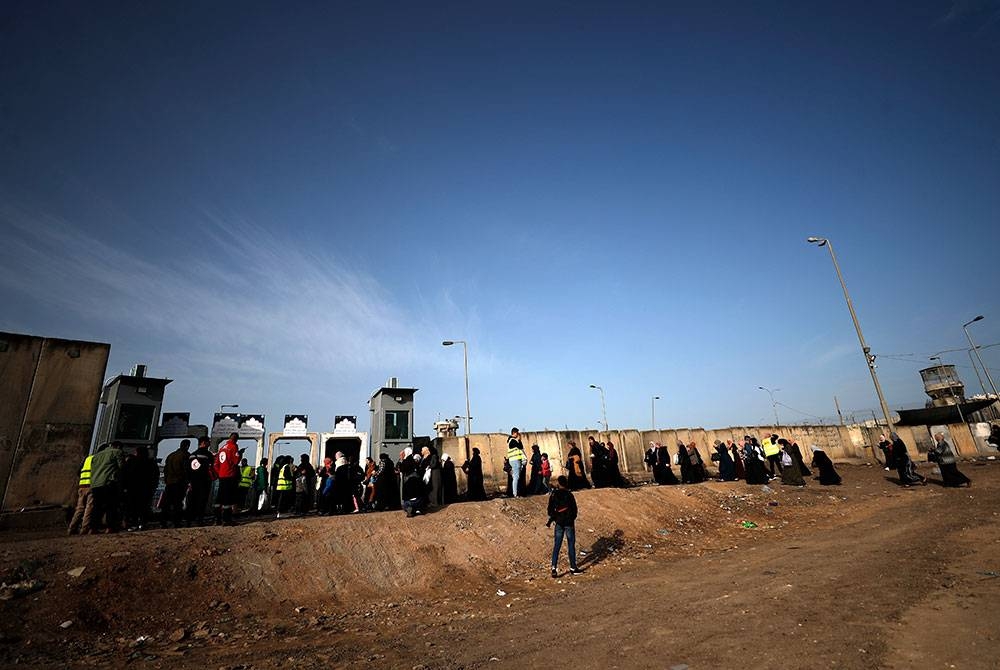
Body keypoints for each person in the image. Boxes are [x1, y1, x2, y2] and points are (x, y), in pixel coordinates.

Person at [547, 475, 582, 577]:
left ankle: (553, 568)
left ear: (558, 483)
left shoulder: (554, 495)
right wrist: (570, 519)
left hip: (559, 523)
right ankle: (573, 567)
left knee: (557, 545)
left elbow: (550, 510)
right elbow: (574, 510)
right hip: (569, 523)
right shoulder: (569, 495)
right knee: (571, 545)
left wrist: (556, 518)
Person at [89, 440, 126, 533]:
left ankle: (93, 528)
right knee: (111, 505)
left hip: (95, 484)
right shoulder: (117, 452)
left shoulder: (97, 455)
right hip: (109, 483)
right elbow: (122, 467)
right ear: (118, 447)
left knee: (97, 507)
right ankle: (110, 527)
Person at [122, 446, 159, 531]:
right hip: (146, 489)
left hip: (133, 489)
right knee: (144, 507)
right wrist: (153, 487)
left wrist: (124, 487)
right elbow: (155, 476)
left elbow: (124, 474)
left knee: (132, 507)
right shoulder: (151, 463)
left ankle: (132, 524)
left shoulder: (131, 462)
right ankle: (143, 523)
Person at [68, 446, 98, 535]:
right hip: (90, 486)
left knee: (80, 508)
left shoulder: (87, 459)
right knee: (89, 507)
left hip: (81, 486)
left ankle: (71, 528)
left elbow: (79, 472)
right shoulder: (96, 459)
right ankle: (84, 528)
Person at [213, 433, 241, 526]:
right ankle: (227, 519)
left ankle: (217, 519)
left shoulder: (222, 448)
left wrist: (220, 472)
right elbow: (236, 461)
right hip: (230, 475)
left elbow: (216, 464)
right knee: (228, 498)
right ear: (236, 439)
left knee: (219, 498)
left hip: (222, 476)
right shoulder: (233, 447)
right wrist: (240, 454)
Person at [186, 437, 214, 526]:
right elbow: (211, 467)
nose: (209, 444)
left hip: (193, 481)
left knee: (191, 501)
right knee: (202, 500)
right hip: (204, 481)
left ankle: (189, 520)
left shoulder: (191, 455)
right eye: (208, 442)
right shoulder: (208, 455)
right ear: (204, 443)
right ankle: (199, 520)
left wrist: (189, 481)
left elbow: (187, 469)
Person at [506, 428, 527, 497]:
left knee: (515, 477)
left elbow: (520, 447)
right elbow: (520, 446)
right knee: (516, 477)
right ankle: (515, 494)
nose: (518, 435)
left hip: (514, 460)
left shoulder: (511, 440)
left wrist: (519, 440)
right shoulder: (512, 441)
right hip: (515, 460)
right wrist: (519, 439)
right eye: (517, 433)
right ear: (514, 433)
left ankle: (515, 492)